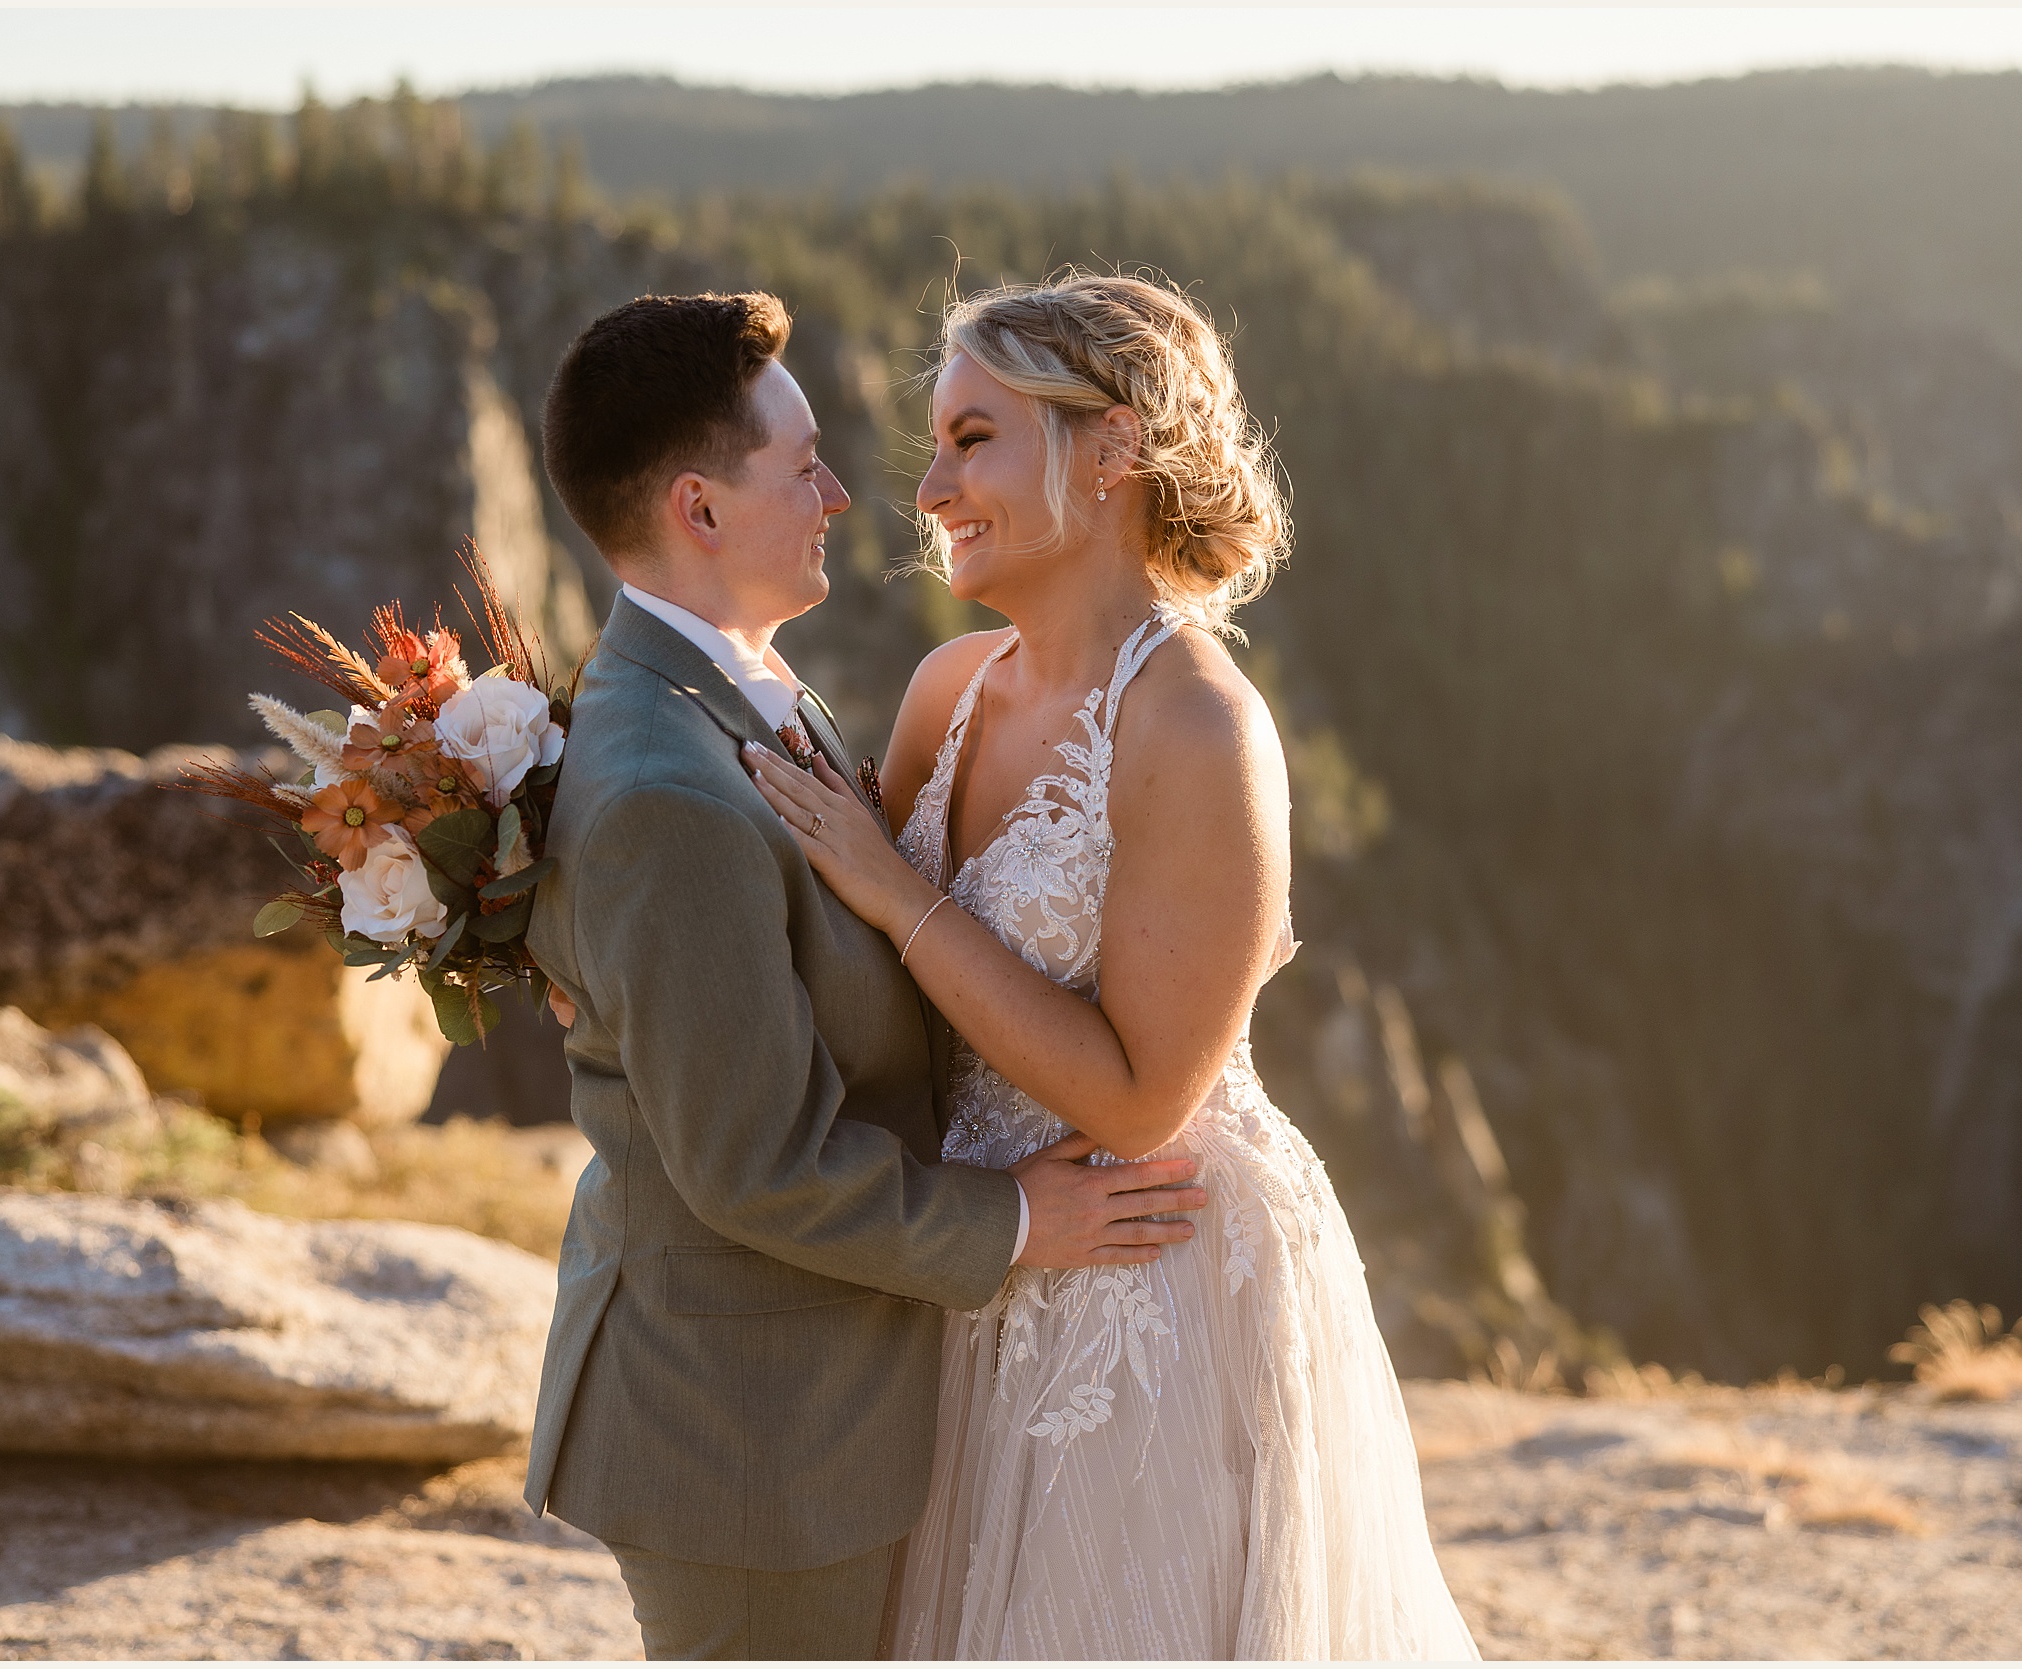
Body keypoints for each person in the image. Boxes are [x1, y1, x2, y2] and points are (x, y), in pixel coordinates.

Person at [744, 271, 1482, 1659]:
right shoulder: (944, 691)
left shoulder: (1200, 726)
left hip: (1149, 1280)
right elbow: (825, 931)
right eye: (938, 444)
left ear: (1114, 448)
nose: (931, 487)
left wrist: (902, 896)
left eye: (975, 440)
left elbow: (1142, 1097)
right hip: (972, 1253)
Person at [523, 290, 1211, 1661]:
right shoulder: (672, 778)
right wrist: (1017, 1222)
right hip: (754, 1439)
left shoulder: (742, 695)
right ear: (701, 512)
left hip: (825, 1394)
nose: (846, 493)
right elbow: (757, 1164)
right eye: (801, 465)